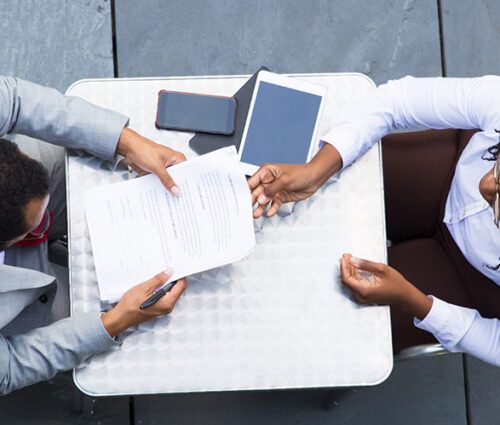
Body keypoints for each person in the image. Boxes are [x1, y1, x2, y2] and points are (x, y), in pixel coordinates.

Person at [248, 75, 500, 366]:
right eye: (496, 166)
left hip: (468, 280)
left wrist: (414, 302)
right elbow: (395, 101)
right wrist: (317, 170)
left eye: (496, 207)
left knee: (321, 318)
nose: (484, 187)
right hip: (444, 176)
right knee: (304, 181)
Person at [0, 76, 187, 394]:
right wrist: (114, 321)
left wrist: (127, 141)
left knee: (95, 165)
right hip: (17, 306)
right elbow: (10, 367)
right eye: (35, 223)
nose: (44, 219)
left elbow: (15, 99)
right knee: (136, 321)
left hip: (23, 189)